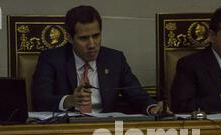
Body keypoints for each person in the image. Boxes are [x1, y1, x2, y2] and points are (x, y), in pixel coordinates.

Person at [31, 5, 162, 115]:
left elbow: (136, 94)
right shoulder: (51, 59)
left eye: (96, 36)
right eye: (84, 38)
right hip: (66, 130)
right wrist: (69, 100)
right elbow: (40, 100)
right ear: (70, 38)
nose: (92, 44)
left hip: (105, 131)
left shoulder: (115, 59)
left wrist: (152, 108)